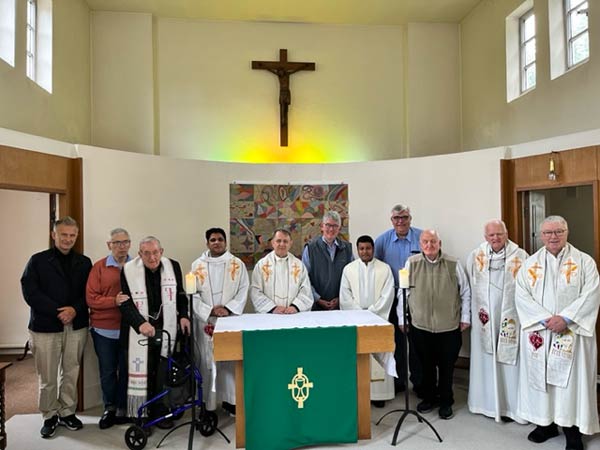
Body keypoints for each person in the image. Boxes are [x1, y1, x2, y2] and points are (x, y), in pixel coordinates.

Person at [515, 216, 599, 450]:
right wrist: (545, 319)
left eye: (558, 231)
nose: (553, 236)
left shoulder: (584, 262)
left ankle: (573, 432)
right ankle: (546, 425)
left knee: (570, 384)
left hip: (572, 333)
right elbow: (521, 295)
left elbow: (591, 294)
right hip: (541, 333)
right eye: (548, 232)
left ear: (567, 232)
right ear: (541, 236)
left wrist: (566, 319)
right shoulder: (530, 264)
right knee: (542, 379)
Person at [21, 216, 92, 439]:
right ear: (54, 235)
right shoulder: (37, 260)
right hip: (45, 326)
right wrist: (58, 311)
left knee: (71, 371)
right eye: (64, 235)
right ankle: (49, 415)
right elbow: (30, 292)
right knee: (48, 376)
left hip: (76, 325)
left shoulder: (84, 262)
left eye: (72, 235)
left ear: (76, 236)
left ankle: (67, 412)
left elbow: (89, 293)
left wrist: (74, 310)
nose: (68, 239)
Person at [398, 229, 470, 420]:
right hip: (421, 325)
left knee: (447, 366)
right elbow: (403, 293)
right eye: (425, 242)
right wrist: (402, 319)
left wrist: (465, 317)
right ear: (420, 245)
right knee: (426, 365)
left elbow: (465, 292)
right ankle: (429, 397)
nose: (429, 245)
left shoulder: (453, 263)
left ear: (439, 244)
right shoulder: (412, 263)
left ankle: (446, 401)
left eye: (433, 241)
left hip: (448, 325)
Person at [119, 236, 191, 428]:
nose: (152, 257)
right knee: (143, 372)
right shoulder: (128, 270)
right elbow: (124, 302)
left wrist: (184, 315)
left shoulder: (173, 266)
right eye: (147, 253)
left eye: (155, 252)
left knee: (161, 373)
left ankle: (160, 410)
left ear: (162, 251)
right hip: (139, 332)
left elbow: (180, 295)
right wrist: (140, 323)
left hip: (166, 329)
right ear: (139, 254)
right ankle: (140, 413)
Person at [466, 220, 528, 423]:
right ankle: (485, 404)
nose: (495, 238)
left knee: (509, 363)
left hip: (510, 316)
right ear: (485, 237)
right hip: (484, 318)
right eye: (491, 235)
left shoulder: (521, 256)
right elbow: (470, 286)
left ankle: (511, 407)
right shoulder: (476, 256)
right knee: (485, 360)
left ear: (506, 233)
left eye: (499, 234)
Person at [190, 227, 249, 416]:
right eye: (213, 240)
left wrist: (228, 309)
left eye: (220, 239)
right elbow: (193, 295)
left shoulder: (237, 264)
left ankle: (231, 401)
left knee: (230, 362)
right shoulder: (197, 265)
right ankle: (206, 403)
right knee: (206, 362)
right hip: (205, 322)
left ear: (225, 242)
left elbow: (243, 289)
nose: (217, 243)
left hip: (228, 320)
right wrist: (210, 311)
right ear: (207, 243)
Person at [340, 235, 395, 407]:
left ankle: (379, 395)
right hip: (356, 320)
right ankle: (360, 393)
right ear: (357, 250)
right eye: (361, 248)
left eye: (368, 248)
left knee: (379, 353)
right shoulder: (349, 269)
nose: (365, 252)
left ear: (373, 249)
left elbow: (388, 295)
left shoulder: (384, 268)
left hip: (378, 319)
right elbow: (345, 295)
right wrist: (359, 313)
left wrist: (371, 313)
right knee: (359, 357)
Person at [86, 227, 132, 428]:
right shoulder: (99, 267)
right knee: (108, 371)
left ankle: (123, 408)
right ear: (109, 245)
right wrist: (114, 301)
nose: (122, 246)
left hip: (130, 329)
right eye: (117, 243)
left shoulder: (137, 265)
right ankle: (110, 408)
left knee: (128, 371)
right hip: (104, 330)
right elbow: (91, 299)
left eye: (125, 242)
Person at [374, 204, 422, 394]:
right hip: (392, 297)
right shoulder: (382, 241)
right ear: (391, 220)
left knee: (417, 342)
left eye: (404, 217)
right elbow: (375, 268)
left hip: (417, 297)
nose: (400, 221)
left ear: (410, 218)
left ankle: (419, 382)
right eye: (396, 218)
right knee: (397, 342)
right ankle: (398, 381)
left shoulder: (421, 237)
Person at [251, 229, 313, 313]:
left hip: (293, 314)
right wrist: (272, 308)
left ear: (290, 243)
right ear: (272, 243)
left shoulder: (299, 265)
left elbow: (306, 290)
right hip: (270, 314)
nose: (282, 244)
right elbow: (255, 291)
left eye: (285, 241)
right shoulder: (261, 265)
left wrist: (295, 307)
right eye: (278, 241)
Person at [302, 210, 353, 311]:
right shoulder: (310, 249)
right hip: (316, 307)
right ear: (322, 226)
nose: (331, 229)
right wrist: (318, 299)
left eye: (335, 226)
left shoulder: (347, 249)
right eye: (328, 225)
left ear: (339, 228)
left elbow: (352, 278)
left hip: (341, 306)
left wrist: (340, 298)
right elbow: (303, 279)